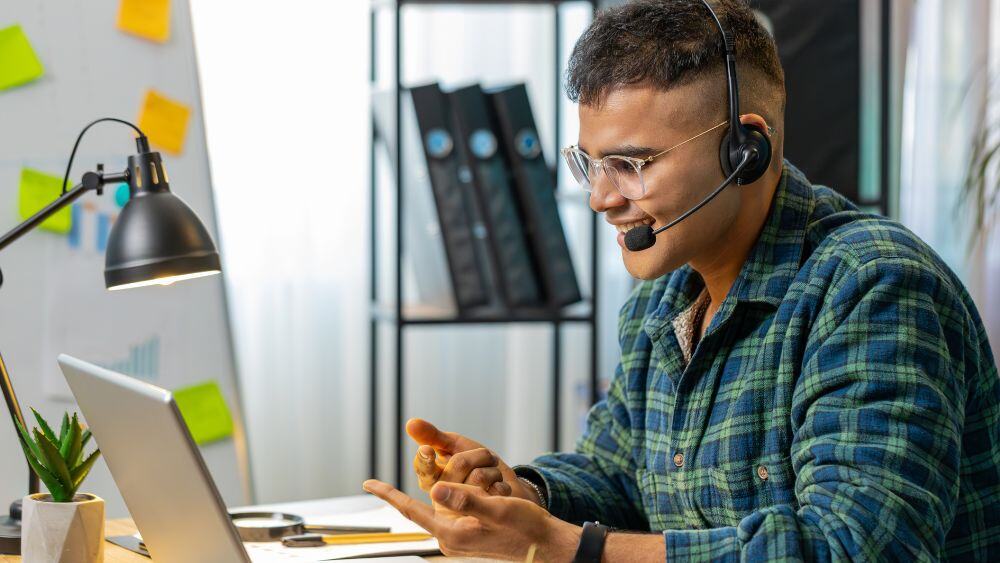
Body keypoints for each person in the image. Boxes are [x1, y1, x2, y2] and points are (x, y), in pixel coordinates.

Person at [363, 0, 1000, 560]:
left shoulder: (873, 288)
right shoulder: (660, 302)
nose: (601, 199)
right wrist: (523, 494)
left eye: (632, 164)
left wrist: (563, 547)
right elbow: (619, 476)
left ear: (745, 150)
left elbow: (850, 547)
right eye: (592, 164)